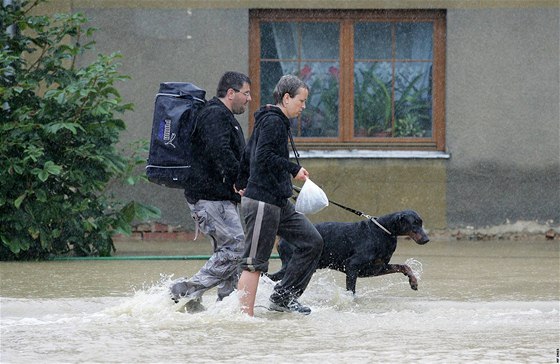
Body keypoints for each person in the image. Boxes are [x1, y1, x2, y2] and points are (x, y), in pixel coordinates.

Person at [235, 74, 324, 316]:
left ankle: (283, 297)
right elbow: (261, 155)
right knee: (254, 263)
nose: (303, 106)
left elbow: (248, 151)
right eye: (301, 101)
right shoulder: (273, 122)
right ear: (286, 98)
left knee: (312, 241)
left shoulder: (273, 120)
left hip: (278, 200)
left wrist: (241, 180)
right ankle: (245, 318)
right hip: (263, 201)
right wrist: (293, 168)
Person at [170, 71, 252, 309]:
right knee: (236, 248)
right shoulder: (215, 115)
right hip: (210, 200)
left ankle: (225, 306)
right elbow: (220, 152)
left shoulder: (220, 115)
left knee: (229, 254)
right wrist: (240, 181)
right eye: (245, 94)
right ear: (230, 93)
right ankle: (187, 289)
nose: (248, 99)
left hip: (218, 199)